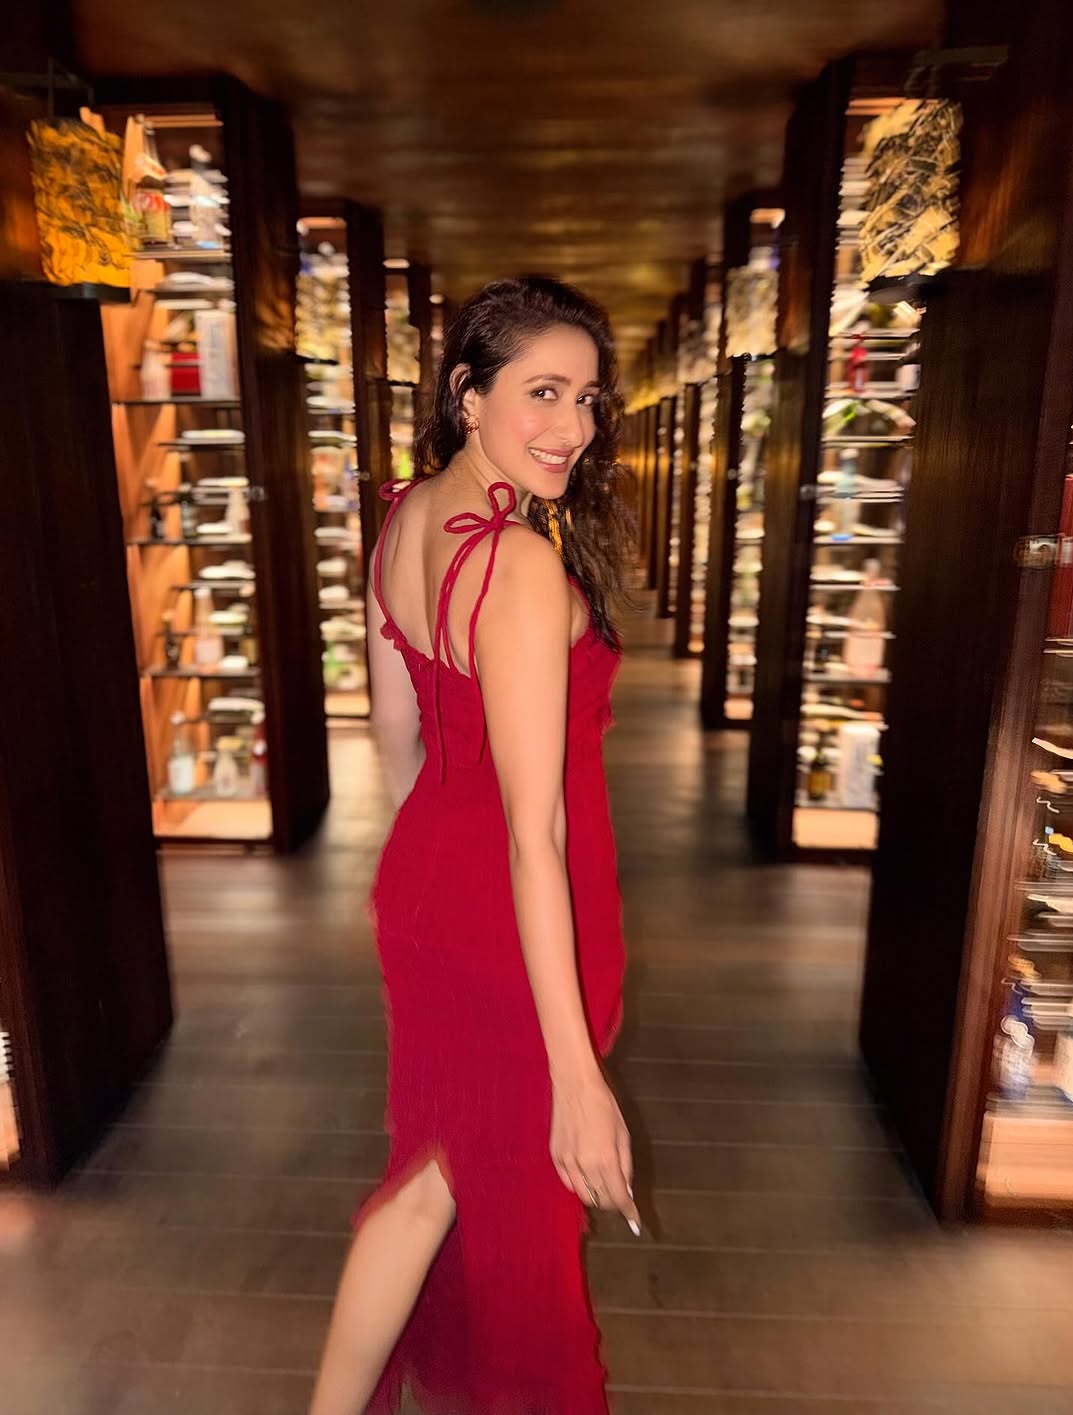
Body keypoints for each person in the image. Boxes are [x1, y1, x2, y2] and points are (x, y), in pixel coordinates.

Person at [308, 275, 640, 1415]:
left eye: (587, 398)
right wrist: (578, 1076)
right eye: (542, 392)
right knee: (487, 1187)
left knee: (433, 1177)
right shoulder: (517, 564)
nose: (572, 426)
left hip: (431, 884)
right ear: (467, 392)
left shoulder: (405, 516)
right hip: (511, 913)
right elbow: (535, 832)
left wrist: (438, 866)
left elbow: (396, 732)